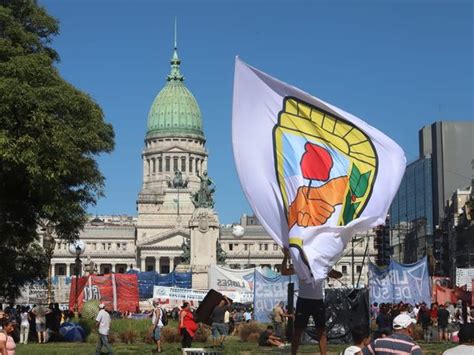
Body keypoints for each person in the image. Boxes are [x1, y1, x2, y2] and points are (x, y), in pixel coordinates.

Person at [281, 247, 327, 355]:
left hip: (317, 301)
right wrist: (285, 256)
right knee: (298, 331)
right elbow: (284, 272)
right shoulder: (300, 267)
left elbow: (338, 274)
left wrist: (330, 270)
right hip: (304, 300)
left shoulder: (321, 267)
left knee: (321, 332)